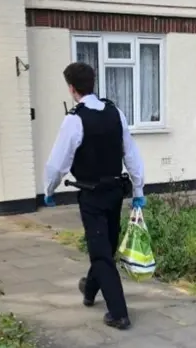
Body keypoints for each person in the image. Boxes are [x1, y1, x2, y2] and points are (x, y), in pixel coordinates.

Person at [43, 62, 146, 330]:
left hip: (91, 196)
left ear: (72, 88)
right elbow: (131, 154)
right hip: (115, 193)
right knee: (105, 247)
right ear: (93, 83)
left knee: (101, 254)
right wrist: (138, 189)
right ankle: (89, 290)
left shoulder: (74, 119)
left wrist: (49, 191)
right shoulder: (115, 113)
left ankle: (119, 314)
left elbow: (57, 164)